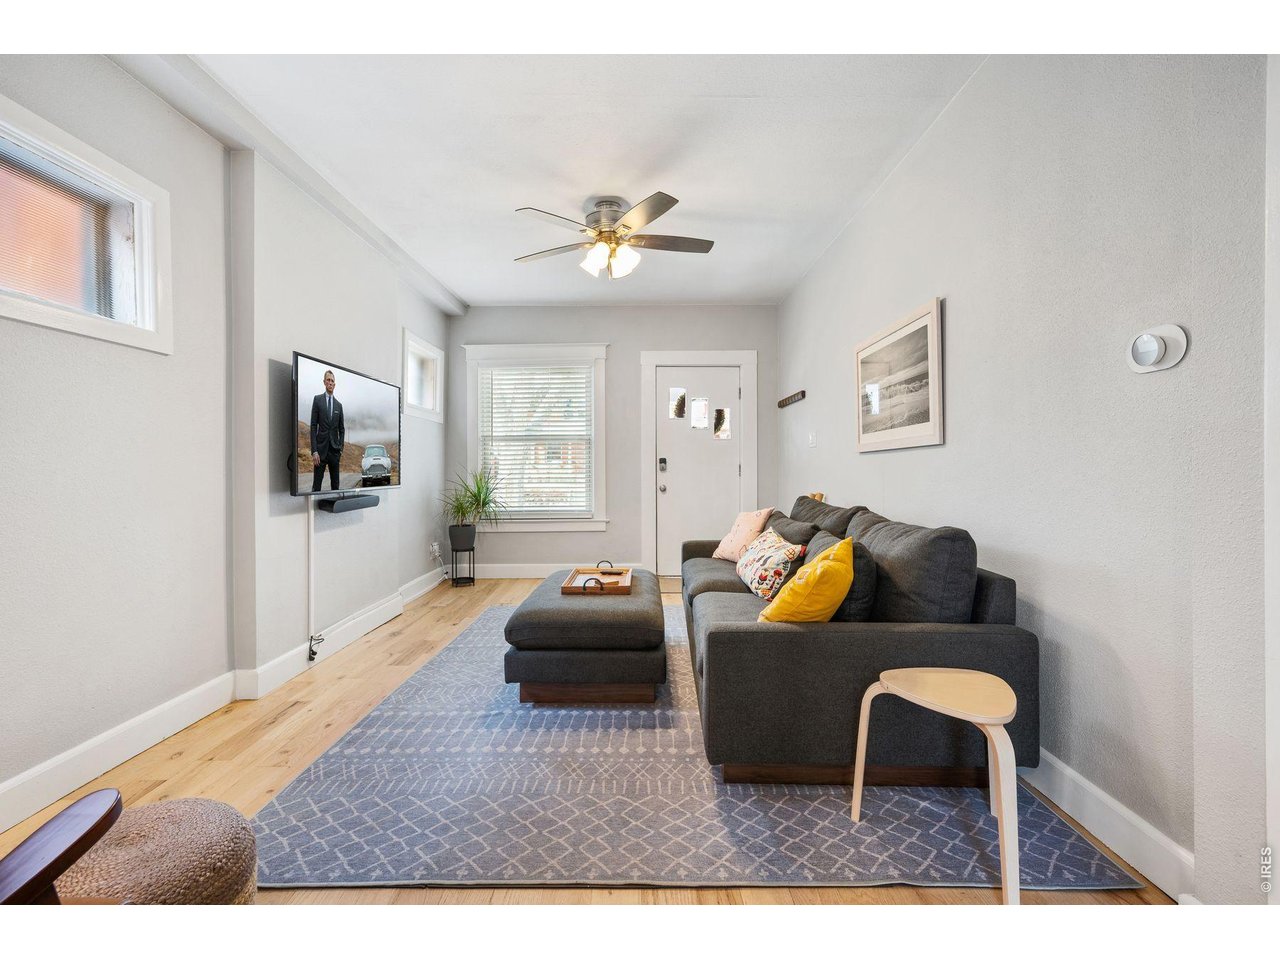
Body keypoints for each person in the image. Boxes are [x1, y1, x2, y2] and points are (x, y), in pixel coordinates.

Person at [310, 369, 345, 492]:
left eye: (332, 381)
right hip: (320, 453)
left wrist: (340, 449)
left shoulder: (339, 406)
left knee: (336, 487)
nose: (330, 382)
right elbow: (313, 426)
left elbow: (342, 429)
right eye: (328, 380)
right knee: (316, 487)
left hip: (334, 453)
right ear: (324, 382)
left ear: (334, 384)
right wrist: (314, 451)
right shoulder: (317, 400)